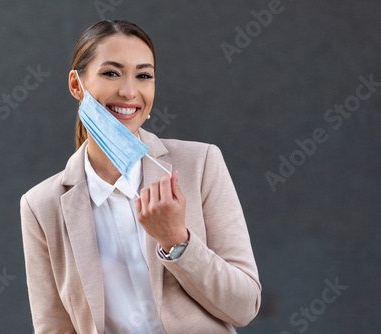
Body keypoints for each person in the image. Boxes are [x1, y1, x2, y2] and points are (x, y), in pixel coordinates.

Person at [20, 19, 261, 334]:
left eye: (144, 76)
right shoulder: (41, 205)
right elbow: (54, 326)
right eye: (111, 73)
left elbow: (244, 307)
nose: (129, 91)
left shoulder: (199, 164)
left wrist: (176, 240)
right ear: (76, 85)